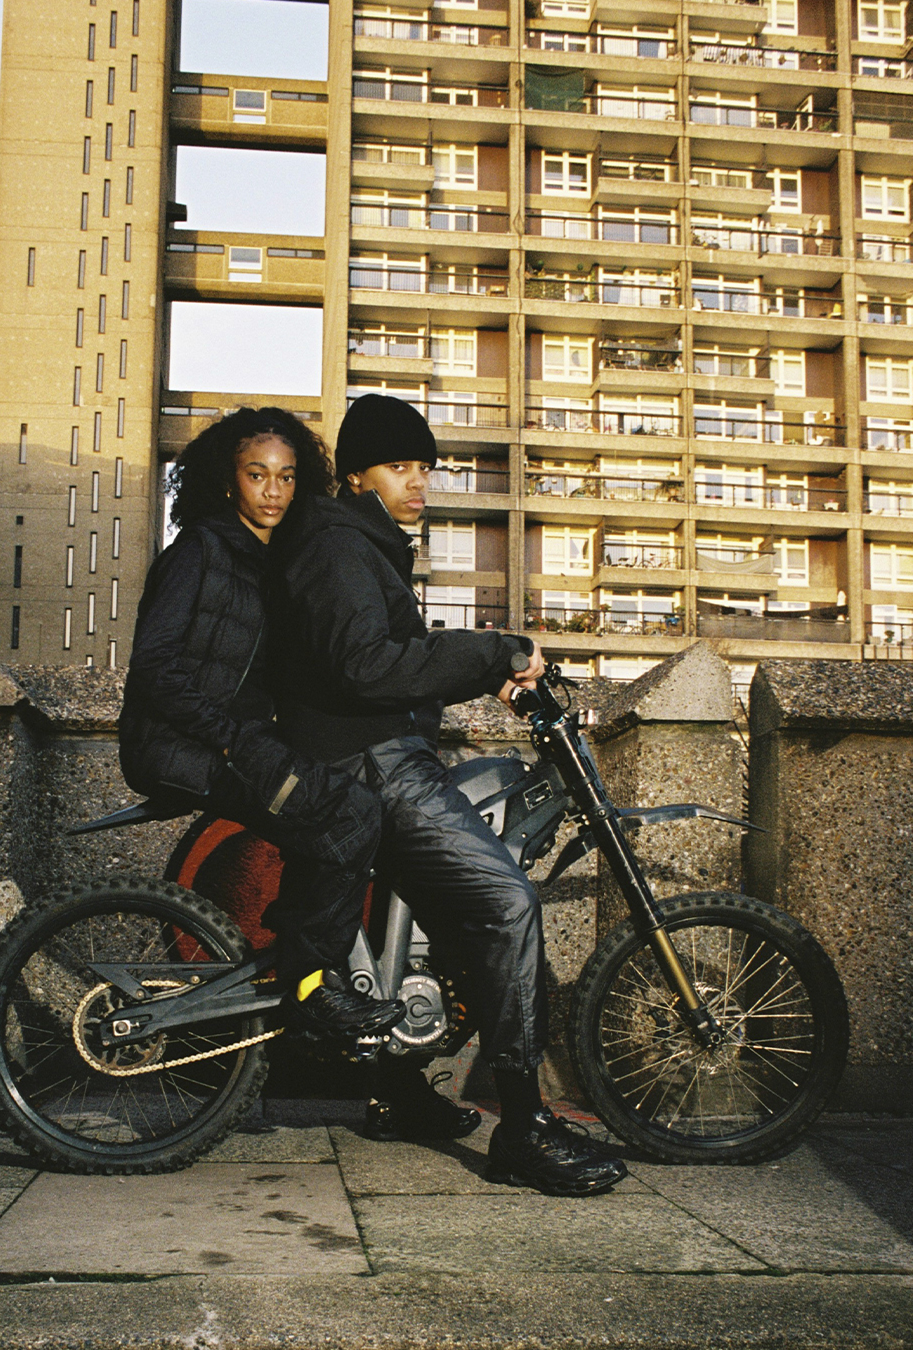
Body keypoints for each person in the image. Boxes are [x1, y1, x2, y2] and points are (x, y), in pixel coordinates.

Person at [271, 394, 627, 1196]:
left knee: (423, 932)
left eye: (425, 467)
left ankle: (397, 1092)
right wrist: (495, 649)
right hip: (372, 764)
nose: (419, 482)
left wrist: (486, 677)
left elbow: (390, 661)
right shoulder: (337, 545)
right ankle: (525, 1130)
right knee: (505, 905)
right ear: (357, 473)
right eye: (400, 467)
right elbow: (367, 667)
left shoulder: (362, 546)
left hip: (370, 754)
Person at [118, 406, 404, 1040]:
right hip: (181, 746)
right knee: (352, 812)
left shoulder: (270, 563)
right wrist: (227, 735)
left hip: (231, 745)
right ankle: (310, 989)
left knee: (327, 809)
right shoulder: (201, 549)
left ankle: (294, 985)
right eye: (257, 475)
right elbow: (153, 667)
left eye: (287, 476)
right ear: (229, 481)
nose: (273, 491)